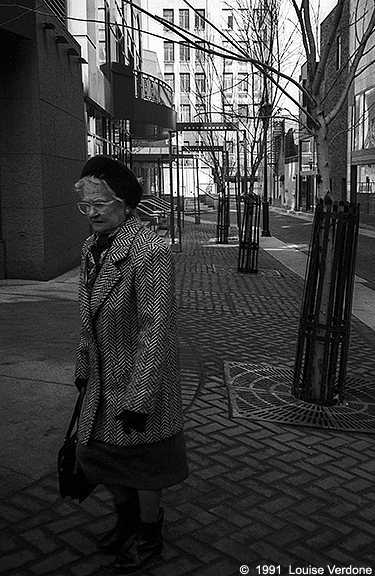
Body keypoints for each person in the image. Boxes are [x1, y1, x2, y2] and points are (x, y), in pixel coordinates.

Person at [74, 155, 188, 574]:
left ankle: (149, 534)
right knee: (99, 455)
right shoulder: (92, 248)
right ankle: (125, 523)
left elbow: (156, 328)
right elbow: (87, 318)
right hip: (103, 379)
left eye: (101, 203)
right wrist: (83, 367)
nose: (93, 213)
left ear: (125, 203)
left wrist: (140, 399)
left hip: (142, 378)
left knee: (146, 465)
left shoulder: (149, 251)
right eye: (86, 206)